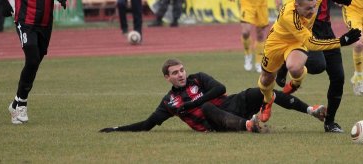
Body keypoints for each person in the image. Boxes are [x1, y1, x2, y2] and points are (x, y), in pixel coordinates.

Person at [99, 58, 327, 133]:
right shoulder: (169, 102)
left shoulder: (198, 78)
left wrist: (194, 101)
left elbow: (219, 88)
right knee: (206, 108)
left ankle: (312, 110)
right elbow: (148, 124)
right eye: (174, 74)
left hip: (231, 105)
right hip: (215, 123)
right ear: (167, 78)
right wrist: (118, 129)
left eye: (181, 71)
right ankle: (250, 125)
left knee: (261, 91)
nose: (180, 75)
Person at [283, 0, 355, 133]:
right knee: (316, 66)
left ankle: (330, 122)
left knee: (339, 77)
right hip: (310, 27)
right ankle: (284, 63)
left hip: (326, 27)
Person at [257, 0, 361, 125]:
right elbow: (312, 43)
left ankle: (295, 82)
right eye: (308, 9)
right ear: (296, 5)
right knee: (266, 80)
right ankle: (267, 100)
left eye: (314, 7)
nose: (312, 12)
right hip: (276, 43)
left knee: (294, 67)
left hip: (296, 42)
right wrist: (341, 41)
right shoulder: (289, 15)